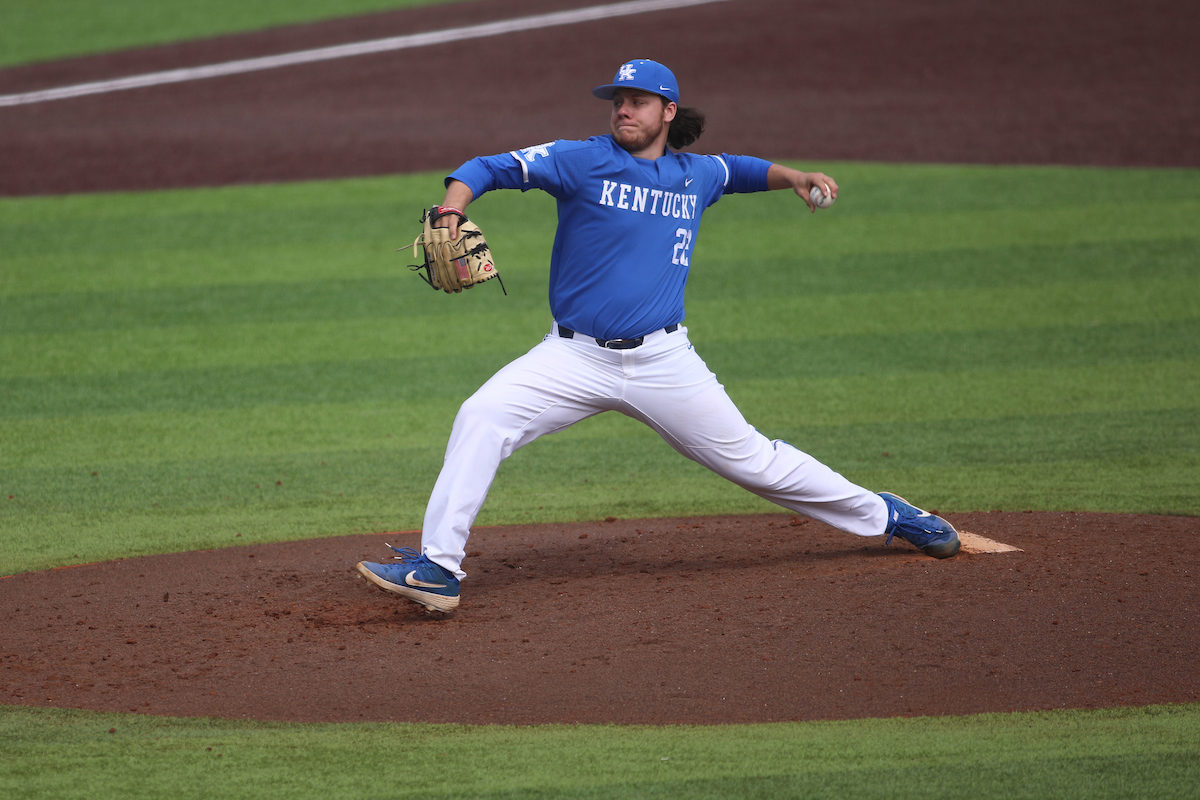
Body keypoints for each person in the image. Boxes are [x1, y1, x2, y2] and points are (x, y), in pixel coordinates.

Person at [357, 59, 960, 613]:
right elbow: (489, 167)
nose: (624, 109)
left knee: (755, 463)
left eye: (639, 101)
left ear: (667, 112)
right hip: (572, 356)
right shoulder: (582, 160)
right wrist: (451, 209)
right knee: (482, 415)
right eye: (619, 100)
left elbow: (740, 171)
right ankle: (438, 567)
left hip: (666, 362)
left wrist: (795, 177)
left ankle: (891, 515)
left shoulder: (693, 174)